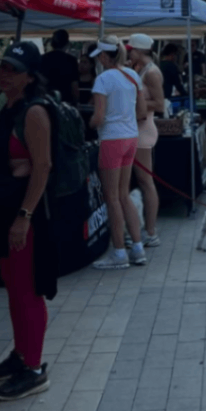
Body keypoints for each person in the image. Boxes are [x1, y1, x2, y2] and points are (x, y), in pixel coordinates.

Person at [0, 41, 58, 400]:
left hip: (27, 213)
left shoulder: (34, 113)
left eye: (12, 69)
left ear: (29, 77)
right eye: (2, 67)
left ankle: (34, 368)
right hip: (7, 210)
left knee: (28, 291)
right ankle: (20, 354)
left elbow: (41, 167)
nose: (4, 75)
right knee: (13, 287)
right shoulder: (7, 109)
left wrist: (24, 216)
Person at [88, 38, 147, 271]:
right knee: (123, 195)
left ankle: (119, 251)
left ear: (104, 57)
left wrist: (89, 123)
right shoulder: (133, 76)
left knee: (112, 197)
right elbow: (141, 112)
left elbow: (99, 117)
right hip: (131, 137)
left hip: (111, 138)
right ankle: (138, 248)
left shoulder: (102, 79)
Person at [128, 33, 163, 248]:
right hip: (138, 127)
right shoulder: (141, 70)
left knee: (145, 181)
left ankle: (151, 231)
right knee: (141, 180)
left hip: (144, 129)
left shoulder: (151, 73)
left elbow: (159, 104)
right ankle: (147, 229)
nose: (129, 52)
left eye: (131, 49)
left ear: (139, 51)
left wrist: (135, 105)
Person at [39, 29, 79, 105]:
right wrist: (76, 101)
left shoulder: (42, 58)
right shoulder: (71, 60)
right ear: (67, 43)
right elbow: (74, 85)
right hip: (66, 101)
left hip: (46, 99)